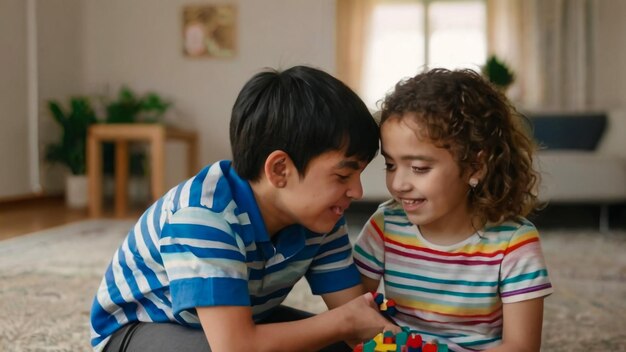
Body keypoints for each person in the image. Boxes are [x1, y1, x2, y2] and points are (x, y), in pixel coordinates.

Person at [90, 65, 399, 352]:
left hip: (239, 322)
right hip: (139, 329)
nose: (357, 191)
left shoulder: (322, 217)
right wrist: (344, 322)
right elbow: (234, 347)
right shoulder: (204, 216)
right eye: (343, 175)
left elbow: (355, 317)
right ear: (280, 170)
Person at [353, 68, 553, 351]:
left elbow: (521, 346)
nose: (398, 183)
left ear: (475, 166)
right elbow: (354, 314)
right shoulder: (385, 226)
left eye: (420, 168)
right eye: (390, 165)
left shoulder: (514, 244)